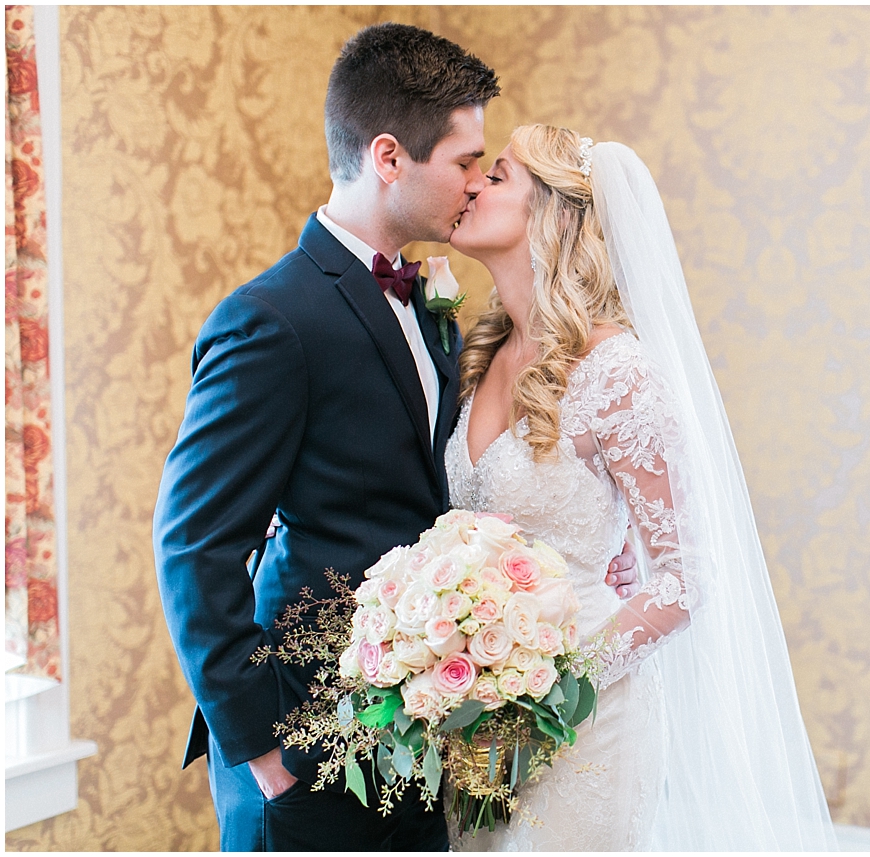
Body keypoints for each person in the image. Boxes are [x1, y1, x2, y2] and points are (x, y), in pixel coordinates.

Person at [152, 26, 637, 851]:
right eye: (463, 162)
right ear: (388, 158)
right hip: (309, 739)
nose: (476, 183)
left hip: (419, 733)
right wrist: (263, 746)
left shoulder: (441, 313)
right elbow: (193, 542)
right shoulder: (271, 321)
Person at [445, 124, 837, 850]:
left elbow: (687, 578)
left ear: (556, 215)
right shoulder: (480, 350)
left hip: (586, 721)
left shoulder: (618, 370)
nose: (471, 184)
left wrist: (551, 692)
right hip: (477, 718)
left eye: (497, 175)